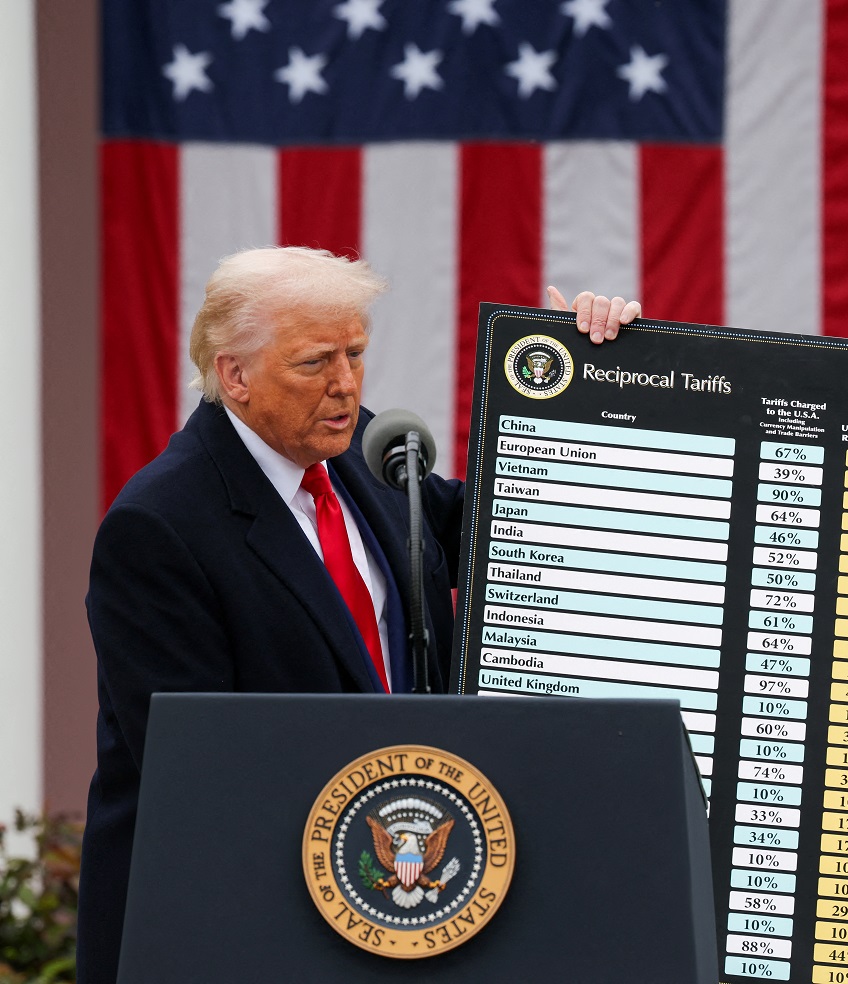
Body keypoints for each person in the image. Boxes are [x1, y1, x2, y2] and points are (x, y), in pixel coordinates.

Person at [78, 246, 639, 983]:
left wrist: (581, 384)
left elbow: (504, 533)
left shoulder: (361, 452)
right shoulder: (158, 525)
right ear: (234, 375)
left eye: (355, 353)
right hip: (231, 928)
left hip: (390, 910)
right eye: (314, 362)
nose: (344, 384)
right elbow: (200, 767)